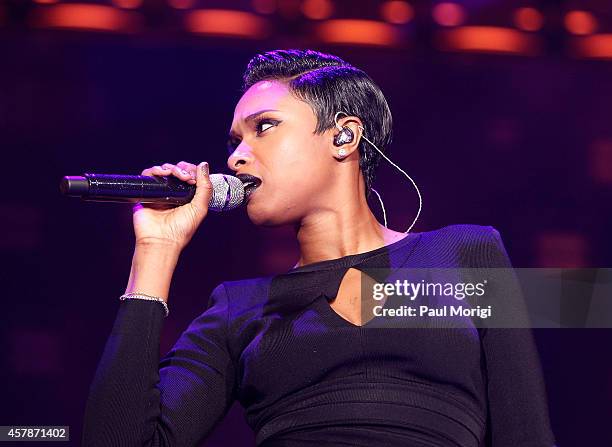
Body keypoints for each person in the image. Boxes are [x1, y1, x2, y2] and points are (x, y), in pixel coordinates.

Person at [82, 49, 555, 446]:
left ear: (343, 136)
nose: (235, 156)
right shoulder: (237, 308)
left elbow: (526, 429)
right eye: (234, 141)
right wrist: (155, 251)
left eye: (263, 126)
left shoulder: (463, 254)